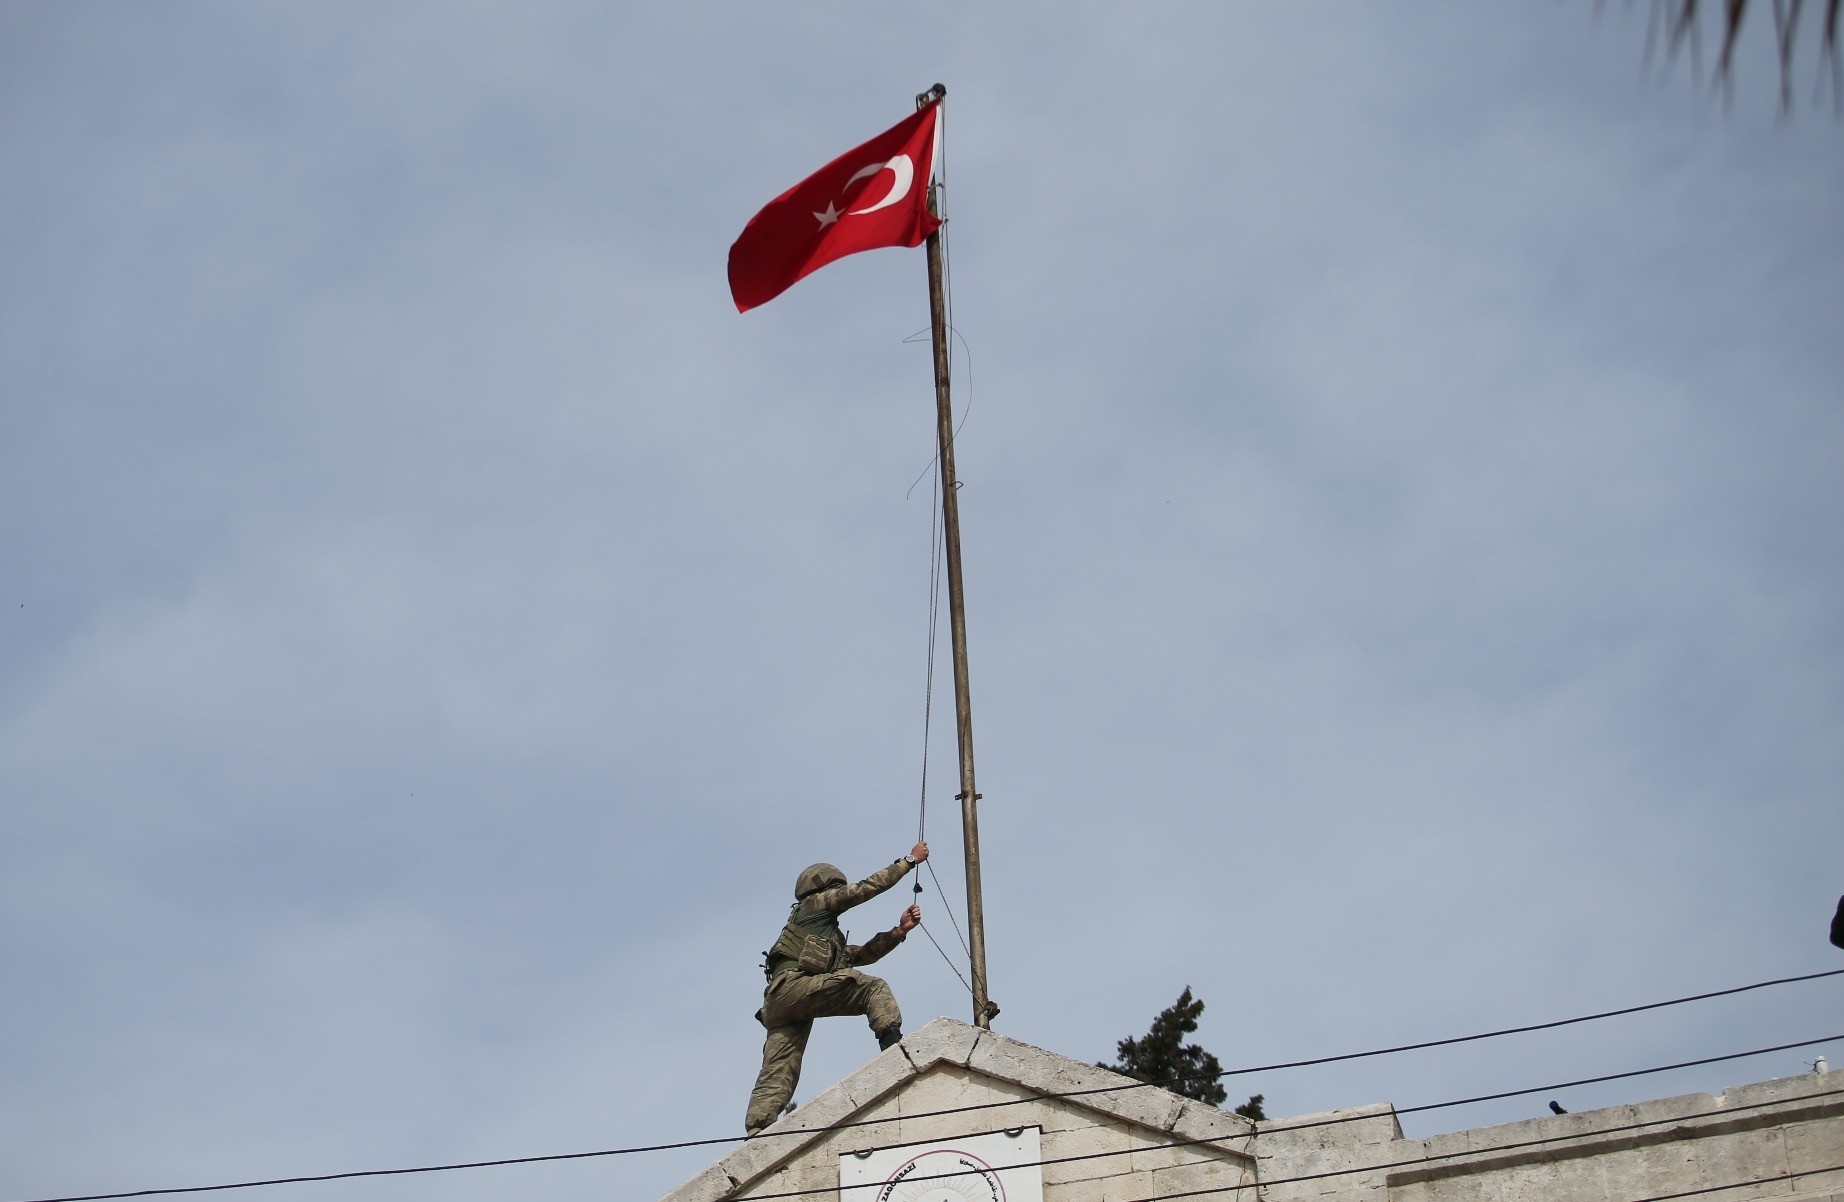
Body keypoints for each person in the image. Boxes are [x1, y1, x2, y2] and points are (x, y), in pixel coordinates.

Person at [744, 841, 929, 1135]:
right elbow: (865, 889)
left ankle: (758, 1128)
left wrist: (899, 931)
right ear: (823, 887)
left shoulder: (819, 934)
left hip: (780, 1003)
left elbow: (863, 954)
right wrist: (909, 861)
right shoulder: (813, 905)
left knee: (780, 1066)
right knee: (872, 988)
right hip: (794, 987)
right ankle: (893, 1046)